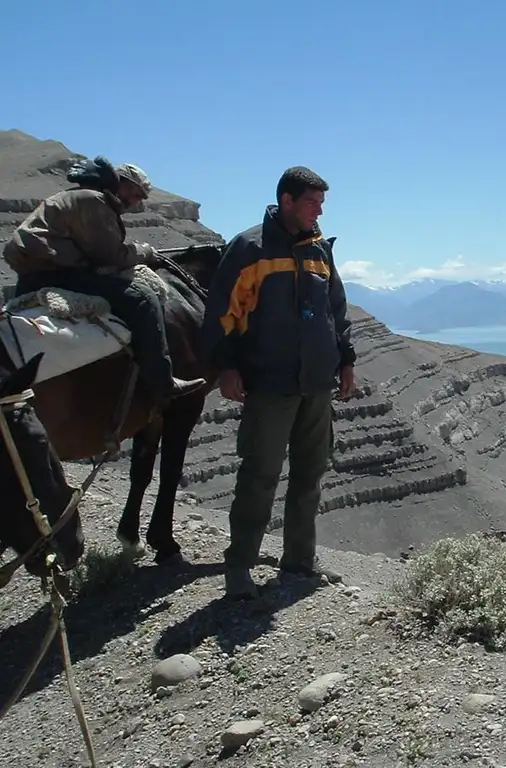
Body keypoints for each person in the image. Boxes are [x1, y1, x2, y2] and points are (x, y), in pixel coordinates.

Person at [200, 166, 357, 599]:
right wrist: (226, 367)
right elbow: (222, 314)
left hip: (317, 384)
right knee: (260, 476)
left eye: (321, 204)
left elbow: (336, 311)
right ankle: (239, 567)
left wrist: (346, 361)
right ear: (286, 201)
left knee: (310, 474)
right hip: (271, 383)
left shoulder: (318, 250)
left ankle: (299, 563)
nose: (318, 211)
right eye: (311, 203)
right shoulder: (250, 249)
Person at [1, 156, 207, 404]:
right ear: (119, 181)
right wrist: (145, 252)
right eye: (133, 192)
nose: (134, 201)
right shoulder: (93, 200)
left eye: (140, 197)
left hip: (33, 277)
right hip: (59, 274)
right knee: (143, 299)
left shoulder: (76, 197)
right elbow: (110, 256)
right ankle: (162, 381)